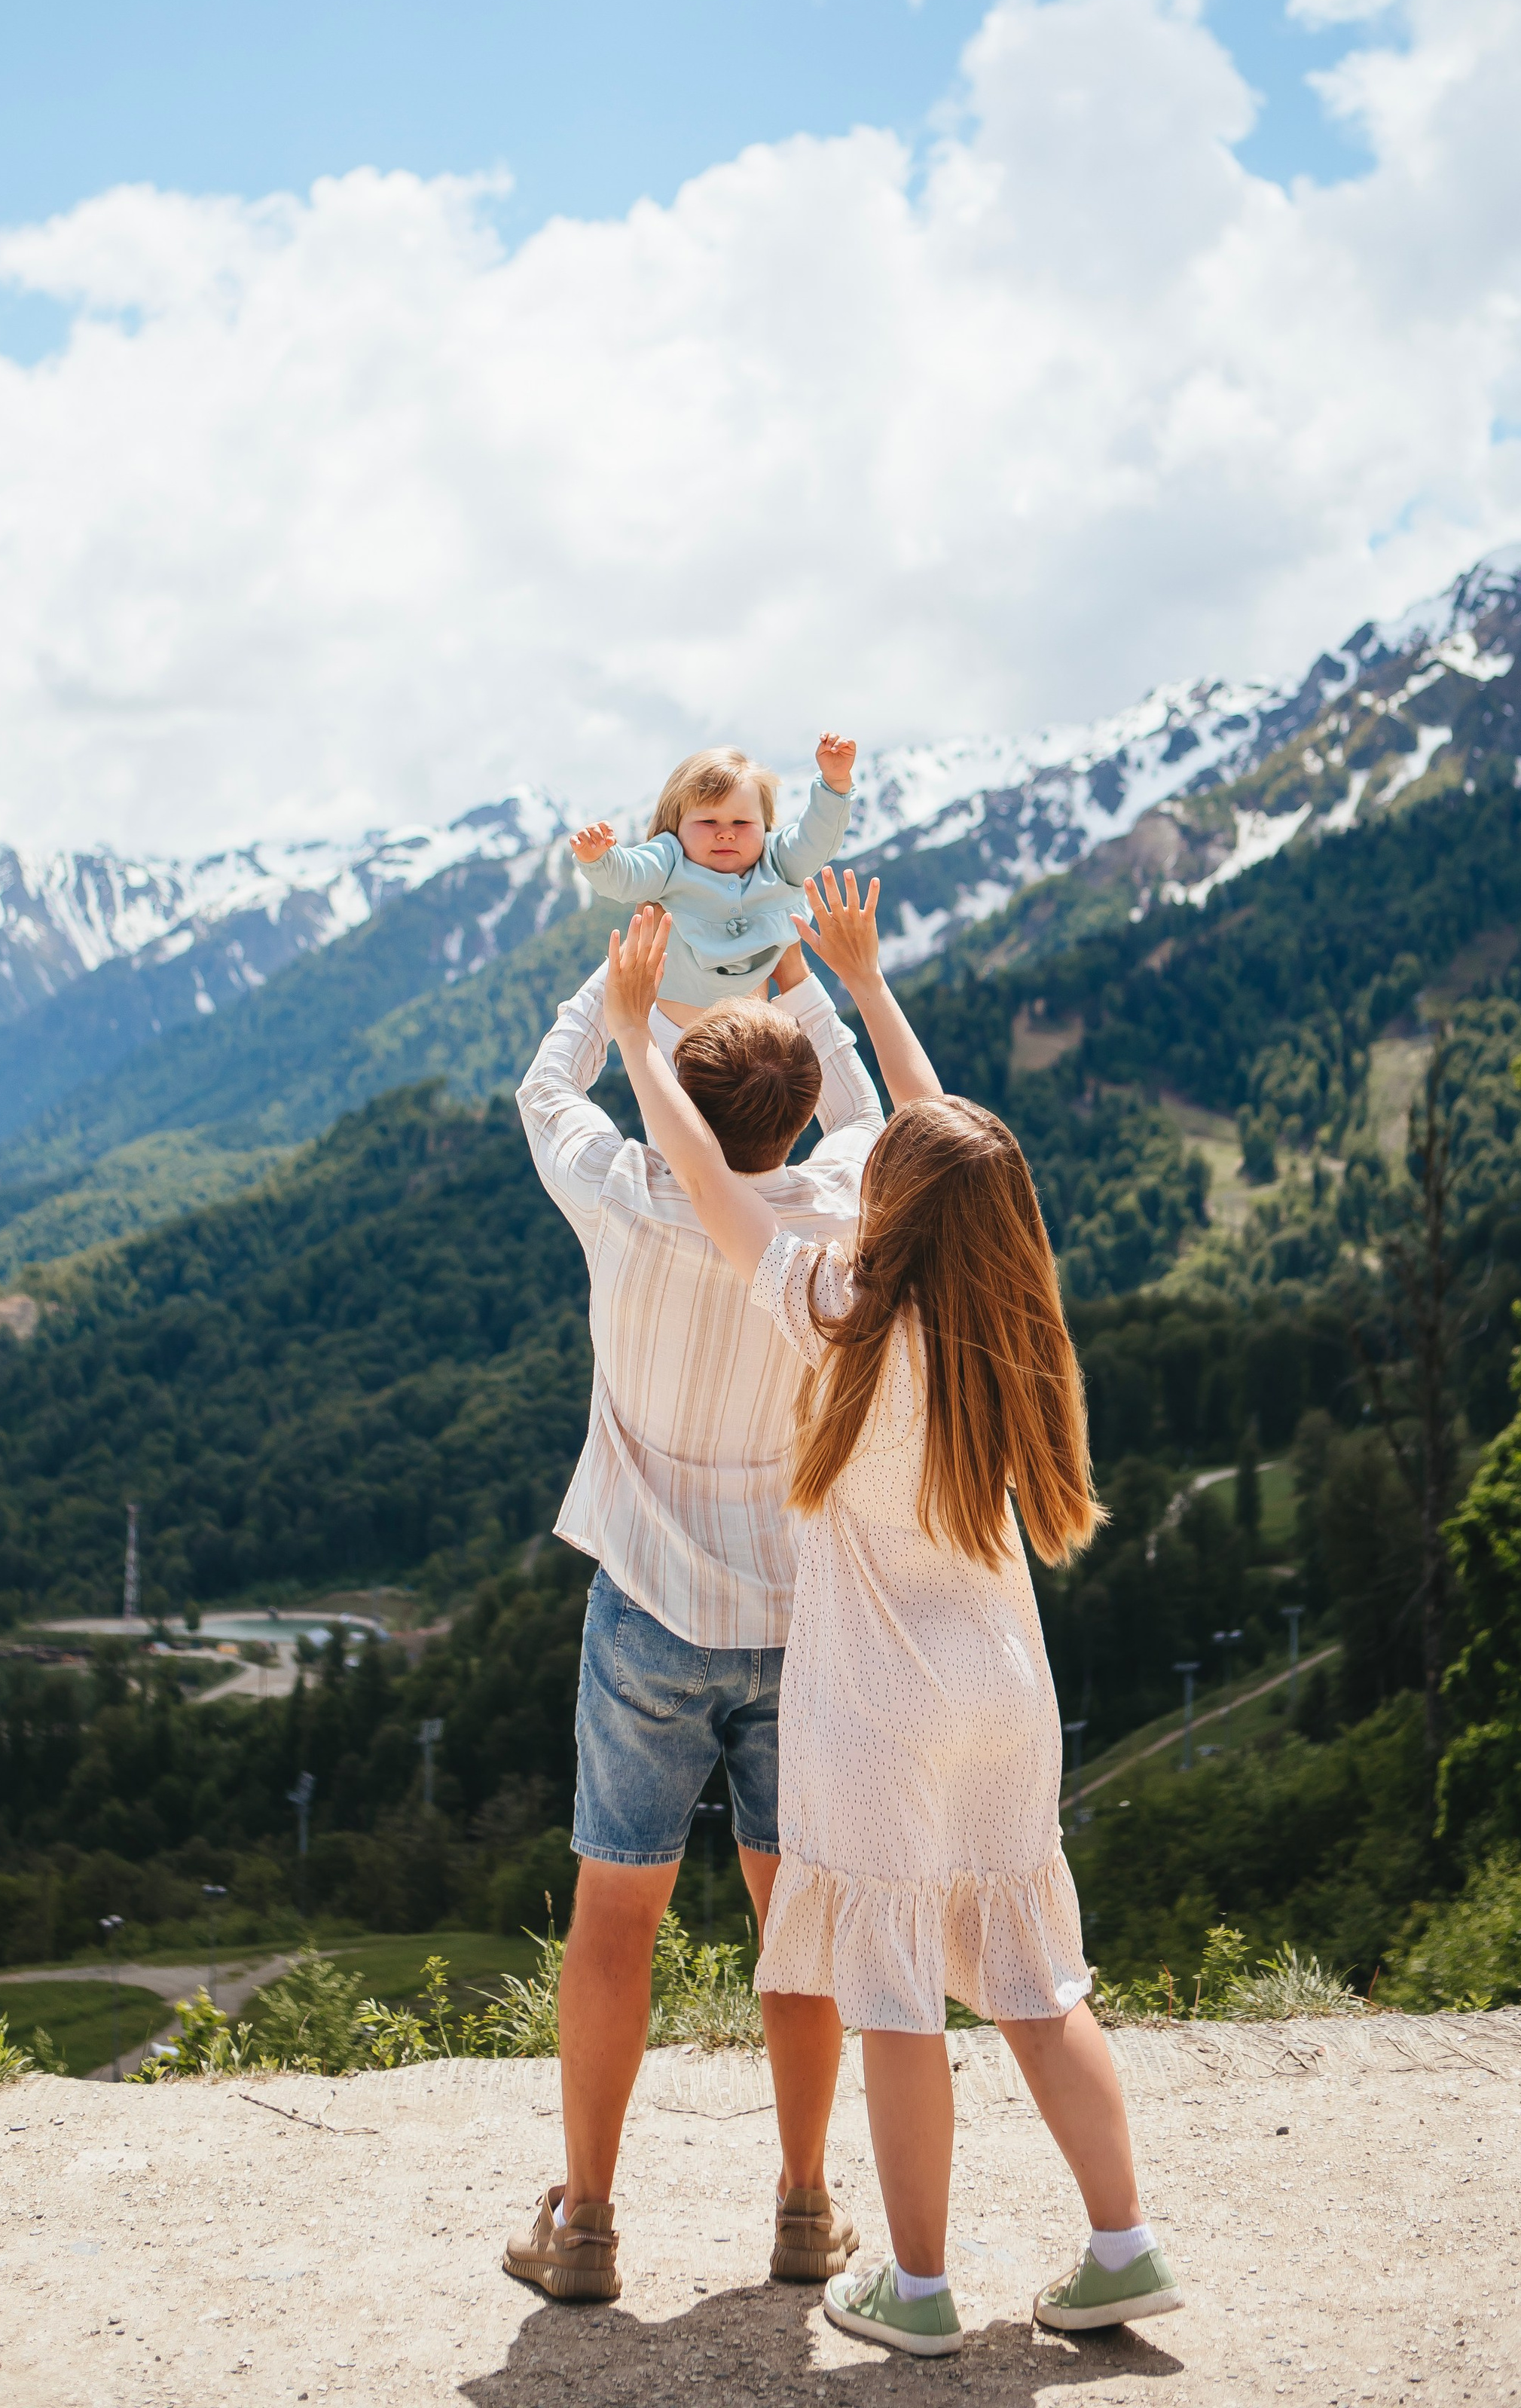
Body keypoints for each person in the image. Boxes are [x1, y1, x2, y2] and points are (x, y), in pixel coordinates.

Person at [600, 877, 1183, 2359]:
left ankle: (912, 2288)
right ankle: (1120, 2246)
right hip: (1005, 1690)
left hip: (875, 1704)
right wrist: (862, 989)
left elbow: (708, 1180)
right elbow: (954, 1157)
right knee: (1037, 1985)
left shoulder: (834, 1307)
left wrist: (635, 1041)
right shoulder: (1015, 1328)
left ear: (895, 1206)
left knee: (897, 2005)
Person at [504, 878, 933, 2305]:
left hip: (647, 1615)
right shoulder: (843, 1207)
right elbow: (884, 1110)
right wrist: (816, 974)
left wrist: (619, 989)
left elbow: (542, 1087)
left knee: (612, 1913)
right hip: (802, 1628)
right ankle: (807, 2208)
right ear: (800, 1115)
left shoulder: (626, 1196)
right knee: (791, 1916)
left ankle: (585, 2223)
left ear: (673, 1114)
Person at [571, 736, 855, 1025]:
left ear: (765, 824)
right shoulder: (669, 858)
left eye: (741, 823)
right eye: (708, 822)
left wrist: (834, 784)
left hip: (754, 1032)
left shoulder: (779, 859)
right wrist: (601, 859)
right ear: (676, 824)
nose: (726, 834)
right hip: (670, 1034)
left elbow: (816, 840)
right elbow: (630, 875)